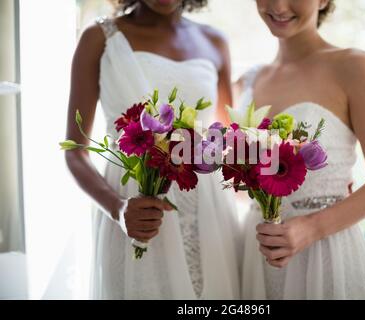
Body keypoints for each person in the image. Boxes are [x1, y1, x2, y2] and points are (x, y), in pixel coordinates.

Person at [64, 0, 239, 299]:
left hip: (208, 215)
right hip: (134, 214)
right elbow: (75, 150)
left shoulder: (215, 41)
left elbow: (228, 141)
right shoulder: (99, 38)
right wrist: (118, 208)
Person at [236, 0, 365, 299]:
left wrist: (310, 228)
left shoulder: (353, 66)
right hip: (257, 252)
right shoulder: (246, 82)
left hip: (327, 253)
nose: (279, 6)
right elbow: (235, 186)